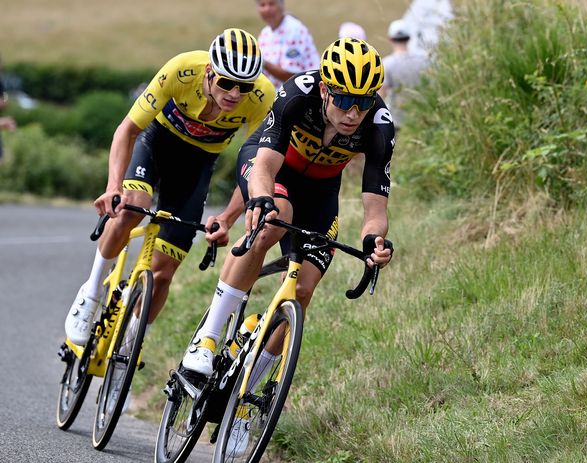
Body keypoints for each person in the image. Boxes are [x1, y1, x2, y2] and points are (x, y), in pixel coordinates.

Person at [182, 37, 395, 454]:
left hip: (322, 194)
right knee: (273, 223)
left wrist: (375, 240)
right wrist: (259, 201)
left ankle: (246, 398)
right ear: (325, 89)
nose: (354, 113)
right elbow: (264, 164)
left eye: (364, 102)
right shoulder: (297, 94)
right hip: (271, 171)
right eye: (346, 101)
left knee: (302, 291)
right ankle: (206, 337)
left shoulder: (379, 126)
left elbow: (375, 204)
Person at [63, 29, 275, 348]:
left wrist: (229, 218)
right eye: (226, 83)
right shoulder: (181, 70)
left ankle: (132, 344)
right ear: (208, 72)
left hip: (197, 165)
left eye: (243, 87)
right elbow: (128, 130)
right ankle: (91, 292)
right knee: (132, 208)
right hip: (156, 143)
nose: (234, 93)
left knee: (163, 272)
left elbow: (258, 167)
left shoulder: (261, 96)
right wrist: (112, 187)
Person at [256, 0, 320, 90]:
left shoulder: (294, 30)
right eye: (262, 5)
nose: (267, 9)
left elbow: (291, 77)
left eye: (271, 4)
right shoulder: (264, 34)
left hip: (305, 93)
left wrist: (261, 62)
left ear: (281, 5)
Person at [378, 19, 428, 130]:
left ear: (390, 39)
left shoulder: (387, 64)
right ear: (409, 38)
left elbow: (381, 95)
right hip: (421, 118)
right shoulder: (423, 61)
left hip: (397, 121)